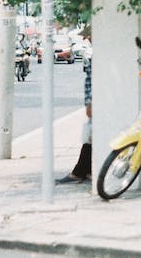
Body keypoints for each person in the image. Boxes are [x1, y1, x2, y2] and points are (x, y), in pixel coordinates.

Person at [57, 44, 93, 184]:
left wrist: (90, 102)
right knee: (90, 137)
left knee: (90, 137)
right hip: (95, 102)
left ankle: (79, 172)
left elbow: (92, 81)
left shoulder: (97, 56)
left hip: (96, 102)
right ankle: (85, 170)